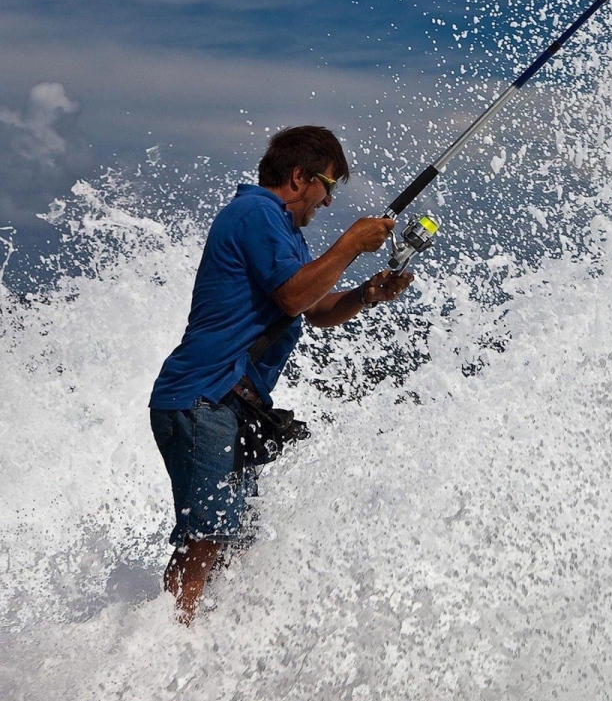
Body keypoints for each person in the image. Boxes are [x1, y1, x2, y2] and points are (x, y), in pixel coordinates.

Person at [148, 126, 413, 624]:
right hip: (203, 397)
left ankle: (198, 641)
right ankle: (166, 642)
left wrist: (367, 294)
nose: (329, 201)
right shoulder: (256, 213)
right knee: (205, 538)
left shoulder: (283, 231)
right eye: (328, 186)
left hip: (231, 406)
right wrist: (351, 244)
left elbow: (313, 307)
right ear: (299, 177)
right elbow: (293, 297)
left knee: (232, 542)